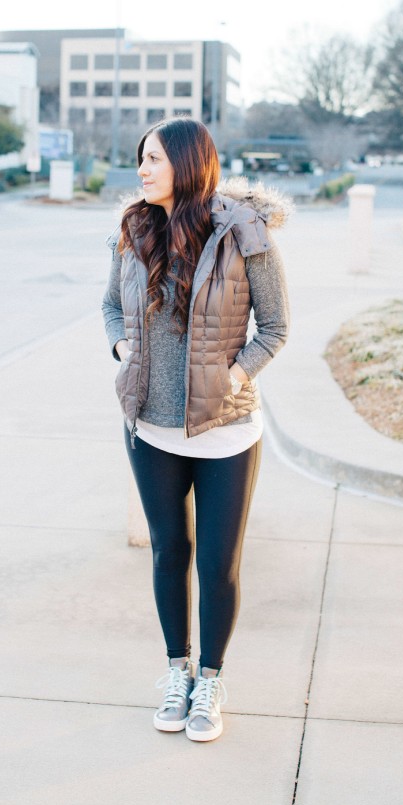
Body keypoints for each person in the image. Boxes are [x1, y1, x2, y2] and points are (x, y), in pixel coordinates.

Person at [101, 118, 290, 742]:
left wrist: (235, 377)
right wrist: (123, 346)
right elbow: (109, 307)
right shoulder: (132, 231)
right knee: (167, 552)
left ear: (187, 162)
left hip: (227, 428)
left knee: (217, 562)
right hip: (149, 426)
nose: (142, 169)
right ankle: (177, 672)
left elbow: (276, 328)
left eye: (153, 158)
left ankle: (210, 678)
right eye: (140, 159)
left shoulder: (244, 232)